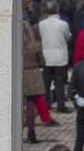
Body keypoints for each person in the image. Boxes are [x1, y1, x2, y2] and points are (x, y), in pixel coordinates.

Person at [39, 1, 72, 113]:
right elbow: (67, 37)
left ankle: (47, 105)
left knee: (46, 84)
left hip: (46, 57)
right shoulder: (63, 24)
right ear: (57, 10)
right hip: (60, 57)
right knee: (59, 83)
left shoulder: (41, 24)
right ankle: (60, 105)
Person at [23, 17, 49, 145]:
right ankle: (31, 132)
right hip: (33, 74)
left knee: (25, 105)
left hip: (20, 73)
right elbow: (42, 61)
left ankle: (25, 130)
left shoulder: (15, 43)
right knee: (31, 105)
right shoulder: (36, 44)